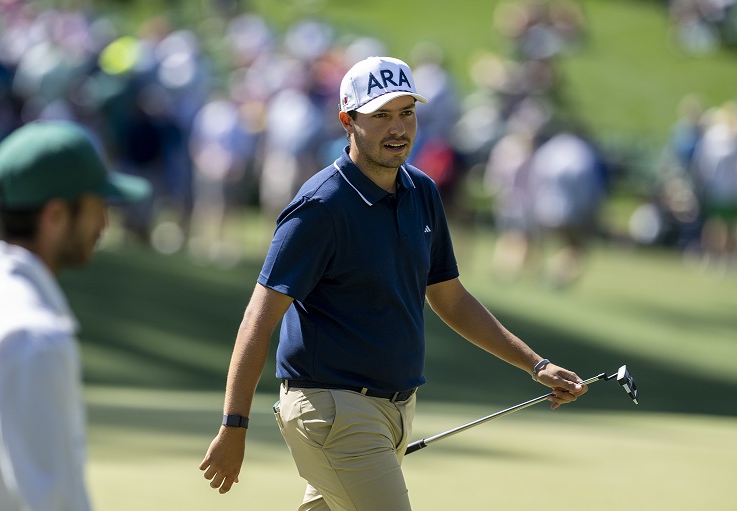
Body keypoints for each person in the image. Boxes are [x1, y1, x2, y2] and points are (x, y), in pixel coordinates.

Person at [199, 56, 588, 511]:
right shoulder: (320, 208)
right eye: (381, 115)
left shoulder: (421, 192)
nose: (398, 127)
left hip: (394, 412)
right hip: (334, 413)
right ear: (349, 121)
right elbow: (258, 320)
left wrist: (535, 364)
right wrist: (233, 425)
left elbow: (451, 299)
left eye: (406, 113)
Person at [0, 120, 150, 511]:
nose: (103, 224)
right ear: (54, 216)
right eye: (96, 207)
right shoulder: (34, 336)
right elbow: (52, 500)